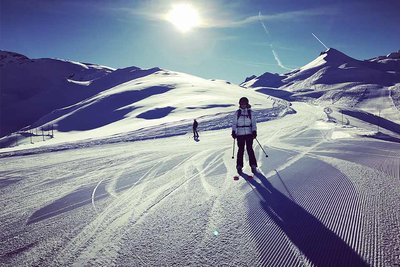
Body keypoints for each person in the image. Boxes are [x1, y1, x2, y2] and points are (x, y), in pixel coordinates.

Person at [231, 97, 258, 173]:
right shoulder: (237, 113)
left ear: (247, 104)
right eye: (242, 103)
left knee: (250, 149)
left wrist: (254, 131)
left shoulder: (250, 112)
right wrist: (233, 131)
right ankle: (239, 166)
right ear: (240, 104)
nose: (243, 105)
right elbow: (234, 123)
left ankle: (253, 165)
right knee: (241, 150)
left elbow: (254, 123)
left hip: (249, 133)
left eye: (244, 103)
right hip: (240, 134)